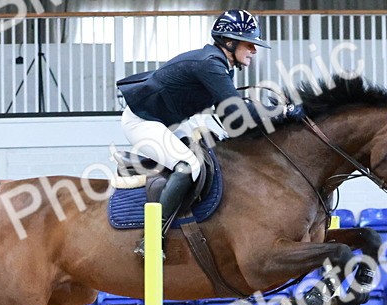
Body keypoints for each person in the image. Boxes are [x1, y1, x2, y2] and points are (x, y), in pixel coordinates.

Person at [118, 9, 303, 241]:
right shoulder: (210, 65)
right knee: (188, 165)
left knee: (213, 154)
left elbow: (231, 119)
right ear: (229, 42)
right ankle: (152, 236)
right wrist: (282, 111)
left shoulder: (220, 65)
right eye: (249, 44)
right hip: (142, 122)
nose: (254, 50)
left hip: (169, 122)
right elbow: (237, 111)